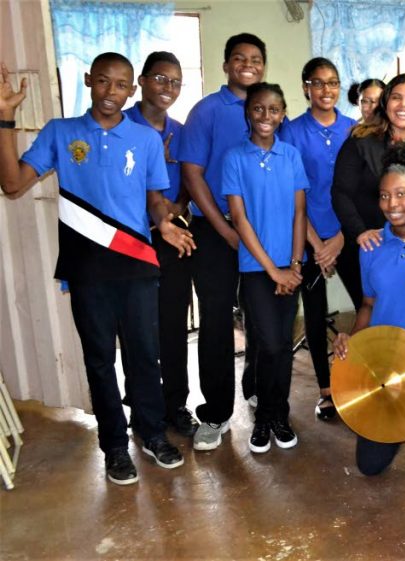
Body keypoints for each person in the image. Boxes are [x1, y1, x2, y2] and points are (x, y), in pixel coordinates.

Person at [0, 54, 194, 484]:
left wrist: (163, 222)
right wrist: (5, 120)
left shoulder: (144, 140)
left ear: (132, 90)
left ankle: (152, 432)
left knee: (145, 357)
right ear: (88, 80)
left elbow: (155, 199)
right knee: (100, 361)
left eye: (121, 85)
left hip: (138, 266)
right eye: (103, 81)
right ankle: (114, 446)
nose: (111, 92)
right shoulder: (60, 132)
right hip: (87, 270)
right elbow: (12, 184)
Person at [333, 143, 405, 475]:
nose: (392, 204)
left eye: (401, 195)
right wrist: (352, 344)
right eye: (385, 196)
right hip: (387, 367)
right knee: (369, 466)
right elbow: (368, 305)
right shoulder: (370, 246)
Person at [179, 32, 266, 451]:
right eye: (239, 58)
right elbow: (192, 175)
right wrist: (226, 229)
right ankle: (215, 413)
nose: (247, 65)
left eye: (255, 59)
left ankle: (256, 389)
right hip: (214, 232)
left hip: (262, 232)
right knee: (215, 322)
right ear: (226, 65)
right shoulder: (207, 111)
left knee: (261, 316)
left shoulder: (268, 109)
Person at [223, 82, 308, 453]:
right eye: (258, 109)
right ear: (248, 113)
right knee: (270, 343)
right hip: (257, 270)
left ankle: (279, 416)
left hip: (290, 265)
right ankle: (263, 418)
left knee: (282, 347)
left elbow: (300, 212)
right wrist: (274, 272)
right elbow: (240, 220)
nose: (266, 117)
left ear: (283, 113)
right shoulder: (234, 158)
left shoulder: (291, 156)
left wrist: (292, 265)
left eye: (274, 110)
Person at [331, 73, 405, 310]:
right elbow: (340, 193)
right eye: (396, 97)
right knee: (376, 316)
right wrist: (359, 232)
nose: (404, 105)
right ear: (385, 102)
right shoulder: (360, 141)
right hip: (369, 249)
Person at [124, 51, 197, 437]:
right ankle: (140, 402)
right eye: (160, 79)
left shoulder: (182, 130)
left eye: (175, 81)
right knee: (138, 328)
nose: (167, 88)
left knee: (172, 327)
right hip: (133, 240)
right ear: (142, 80)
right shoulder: (123, 125)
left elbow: (189, 177)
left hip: (173, 239)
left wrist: (180, 204)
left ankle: (176, 406)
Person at [279, 57, 353, 421]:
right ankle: (326, 389)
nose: (327, 90)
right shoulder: (291, 132)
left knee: (368, 303)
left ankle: (363, 377)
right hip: (307, 235)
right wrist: (317, 244)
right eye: (319, 83)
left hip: (349, 234)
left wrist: (340, 239)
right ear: (306, 87)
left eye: (333, 82)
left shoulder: (355, 130)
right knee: (314, 312)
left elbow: (362, 191)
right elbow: (293, 192)